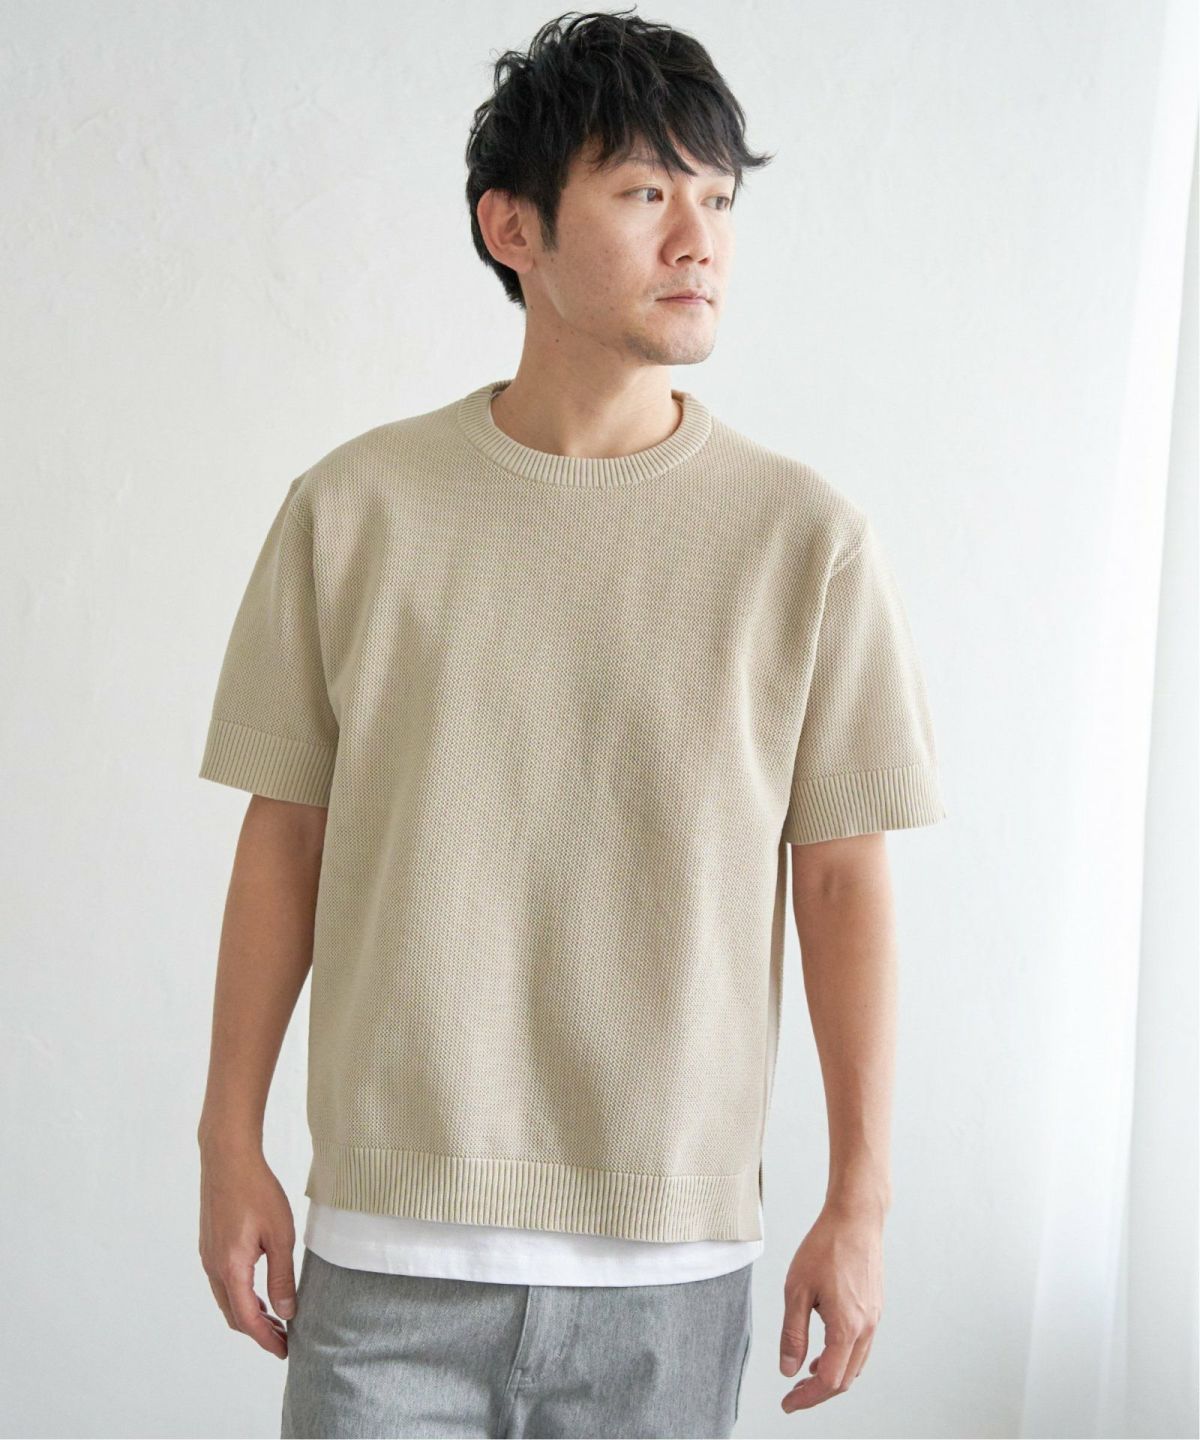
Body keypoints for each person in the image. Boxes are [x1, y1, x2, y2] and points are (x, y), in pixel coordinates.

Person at [195, 9, 947, 1437]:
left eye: (718, 197)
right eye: (647, 191)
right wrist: (227, 1143)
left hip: (670, 1270)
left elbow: (844, 881)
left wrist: (860, 1203)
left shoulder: (804, 541)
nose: (699, 240)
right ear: (514, 227)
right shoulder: (354, 512)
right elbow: (283, 840)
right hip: (389, 1254)